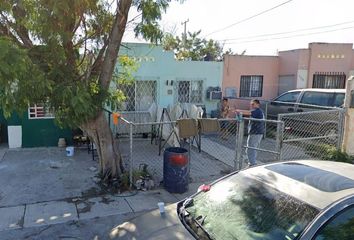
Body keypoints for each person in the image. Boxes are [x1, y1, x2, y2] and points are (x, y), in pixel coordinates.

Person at [236, 99, 265, 166]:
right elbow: (249, 113)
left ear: (258, 104)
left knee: (251, 148)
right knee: (250, 148)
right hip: (254, 132)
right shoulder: (256, 111)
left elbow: (249, 113)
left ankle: (252, 163)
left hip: (256, 133)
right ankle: (251, 161)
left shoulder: (258, 111)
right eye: (251, 104)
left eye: (253, 104)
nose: (251, 105)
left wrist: (238, 111)